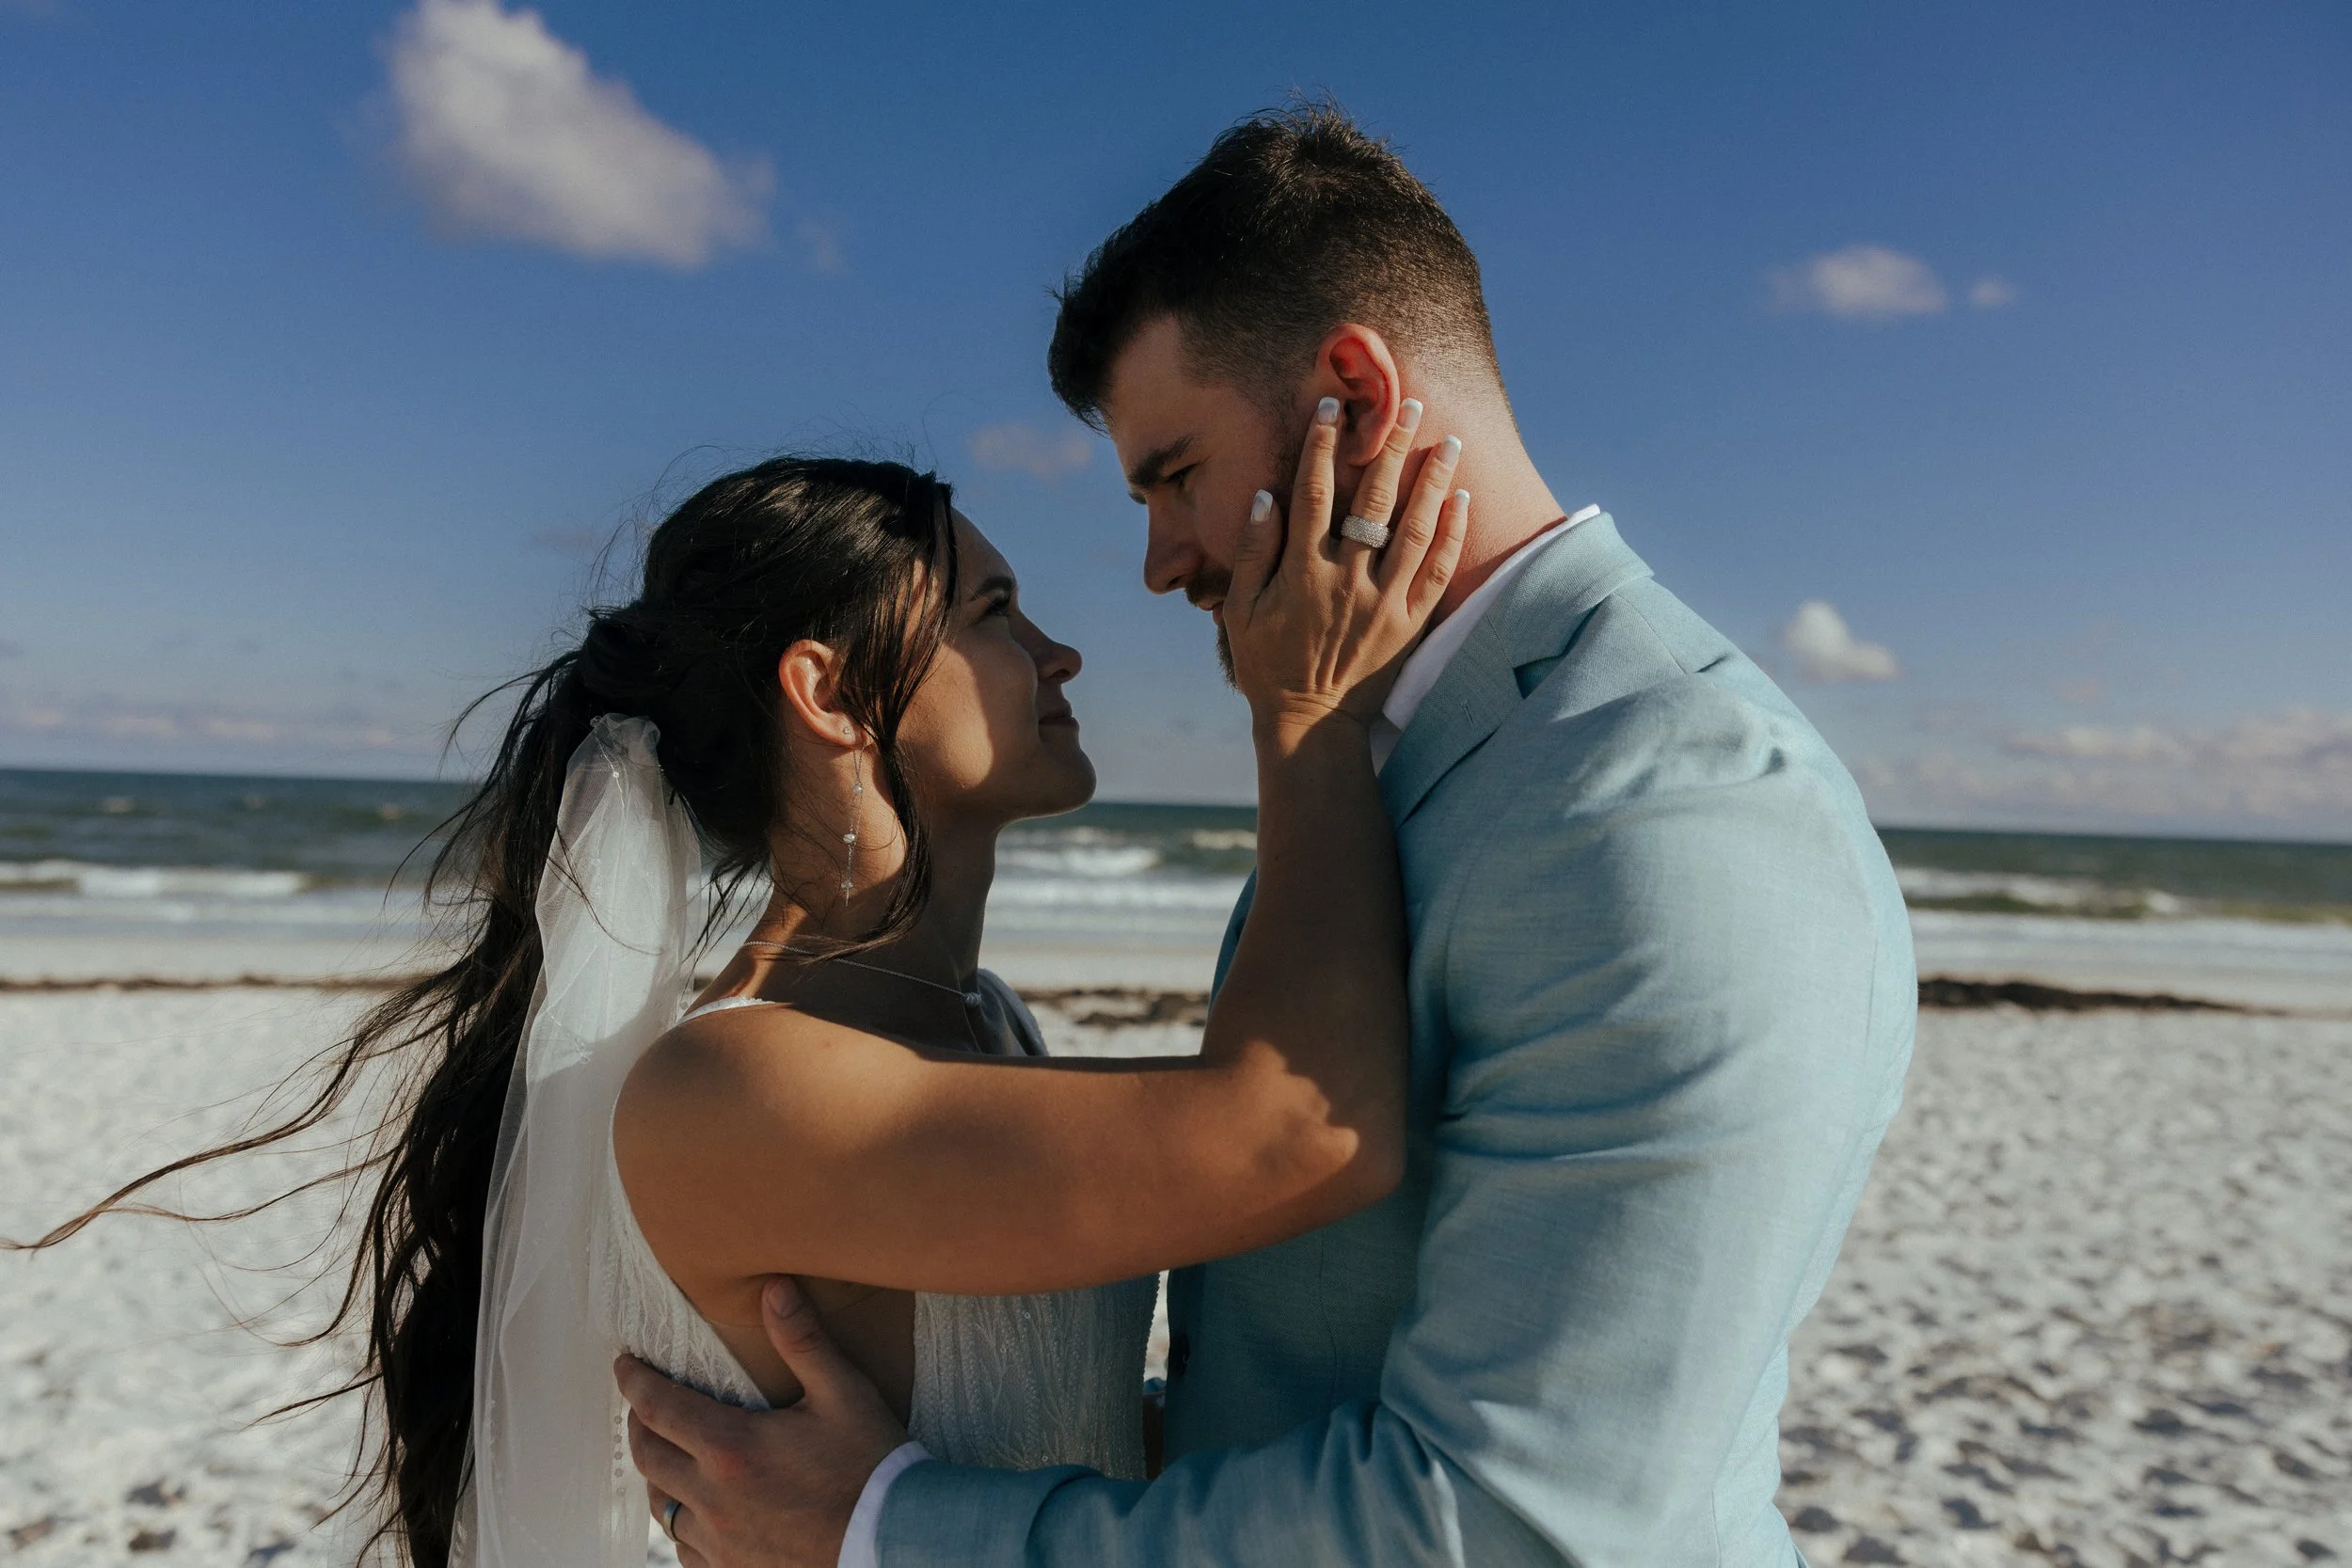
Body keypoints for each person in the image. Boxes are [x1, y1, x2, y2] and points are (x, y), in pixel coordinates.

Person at [616, 103, 1918, 1568]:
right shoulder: (1376, 759)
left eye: (1173, 476)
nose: (1160, 561)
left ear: (1351, 396)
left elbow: (1508, 1526)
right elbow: (1283, 1362)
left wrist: (892, 1525)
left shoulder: (1665, 812)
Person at [17, 424, 1464, 1568]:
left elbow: (1066, 1433)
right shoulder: (737, 1084)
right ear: (832, 694)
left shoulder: (986, 1025)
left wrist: (896, 1517)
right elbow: (1302, 1131)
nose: (1059, 651)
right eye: (996, 609)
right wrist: (1309, 713)